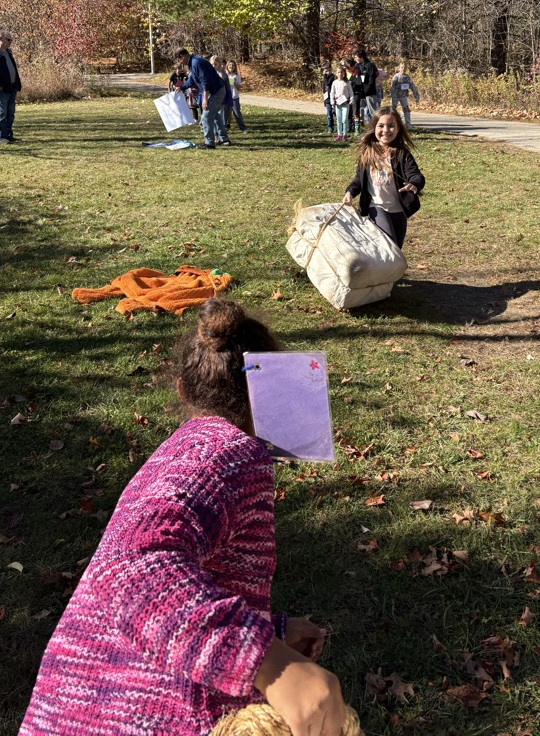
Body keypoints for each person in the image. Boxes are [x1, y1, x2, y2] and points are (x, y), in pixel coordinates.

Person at [18, 298, 346, 736]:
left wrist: (270, 630)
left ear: (181, 388)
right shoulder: (228, 453)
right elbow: (133, 569)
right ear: (272, 393)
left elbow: (162, 608)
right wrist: (269, 663)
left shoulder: (180, 453)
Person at [343, 105, 425, 248]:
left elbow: (415, 174)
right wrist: (350, 191)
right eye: (381, 126)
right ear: (374, 127)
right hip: (376, 208)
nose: (386, 130)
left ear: (398, 129)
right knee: (389, 245)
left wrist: (414, 184)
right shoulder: (367, 154)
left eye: (391, 126)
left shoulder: (401, 154)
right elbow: (358, 180)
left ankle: (389, 271)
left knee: (396, 250)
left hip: (399, 210)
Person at [176, 48, 229, 149]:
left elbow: (205, 81)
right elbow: (192, 80)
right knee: (214, 115)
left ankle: (209, 143)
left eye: (179, 60)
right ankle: (224, 139)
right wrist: (181, 87)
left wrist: (205, 99)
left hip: (217, 91)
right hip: (215, 90)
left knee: (206, 116)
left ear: (182, 56)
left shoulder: (196, 63)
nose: (180, 62)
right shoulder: (193, 63)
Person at [390, 62, 420, 128]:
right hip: (395, 96)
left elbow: (412, 86)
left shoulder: (407, 77)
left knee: (406, 110)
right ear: (399, 68)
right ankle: (391, 123)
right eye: (402, 67)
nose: (403, 69)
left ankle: (408, 124)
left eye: (405, 67)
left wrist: (416, 96)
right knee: (392, 110)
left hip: (403, 96)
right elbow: (392, 87)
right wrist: (393, 97)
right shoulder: (396, 76)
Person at [354, 49, 379, 124]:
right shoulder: (357, 66)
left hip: (369, 92)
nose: (355, 59)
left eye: (356, 57)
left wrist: (367, 90)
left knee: (372, 110)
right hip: (360, 92)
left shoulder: (369, 65)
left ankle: (376, 124)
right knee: (360, 109)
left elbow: (372, 78)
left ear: (361, 57)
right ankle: (359, 125)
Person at [330, 65, 353, 142]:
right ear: (336, 73)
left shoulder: (347, 82)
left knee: (344, 119)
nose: (340, 74)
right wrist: (332, 102)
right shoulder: (335, 82)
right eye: (338, 72)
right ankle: (339, 134)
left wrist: (351, 100)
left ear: (344, 73)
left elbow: (351, 92)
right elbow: (332, 93)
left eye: (341, 72)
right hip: (338, 104)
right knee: (339, 120)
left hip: (345, 104)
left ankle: (345, 135)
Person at [226, 59, 248, 134]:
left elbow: (239, 88)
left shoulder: (237, 76)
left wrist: (234, 82)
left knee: (237, 114)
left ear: (235, 67)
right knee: (225, 114)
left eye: (233, 65)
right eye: (230, 65)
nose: (231, 67)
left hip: (234, 97)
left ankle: (243, 128)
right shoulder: (225, 75)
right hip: (226, 97)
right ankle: (224, 128)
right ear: (227, 66)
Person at [346, 59, 365, 136]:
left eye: (351, 67)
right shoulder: (345, 72)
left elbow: (362, 82)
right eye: (348, 68)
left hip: (356, 93)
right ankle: (349, 127)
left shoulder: (358, 71)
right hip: (347, 94)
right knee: (348, 111)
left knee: (356, 111)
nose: (350, 69)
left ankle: (356, 127)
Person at [321, 61, 335, 135]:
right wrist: (324, 100)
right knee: (329, 114)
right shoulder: (324, 79)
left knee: (335, 113)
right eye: (326, 71)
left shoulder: (333, 77)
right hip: (327, 99)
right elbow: (324, 89)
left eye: (329, 70)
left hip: (333, 98)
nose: (328, 72)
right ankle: (330, 127)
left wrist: (325, 76)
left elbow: (328, 83)